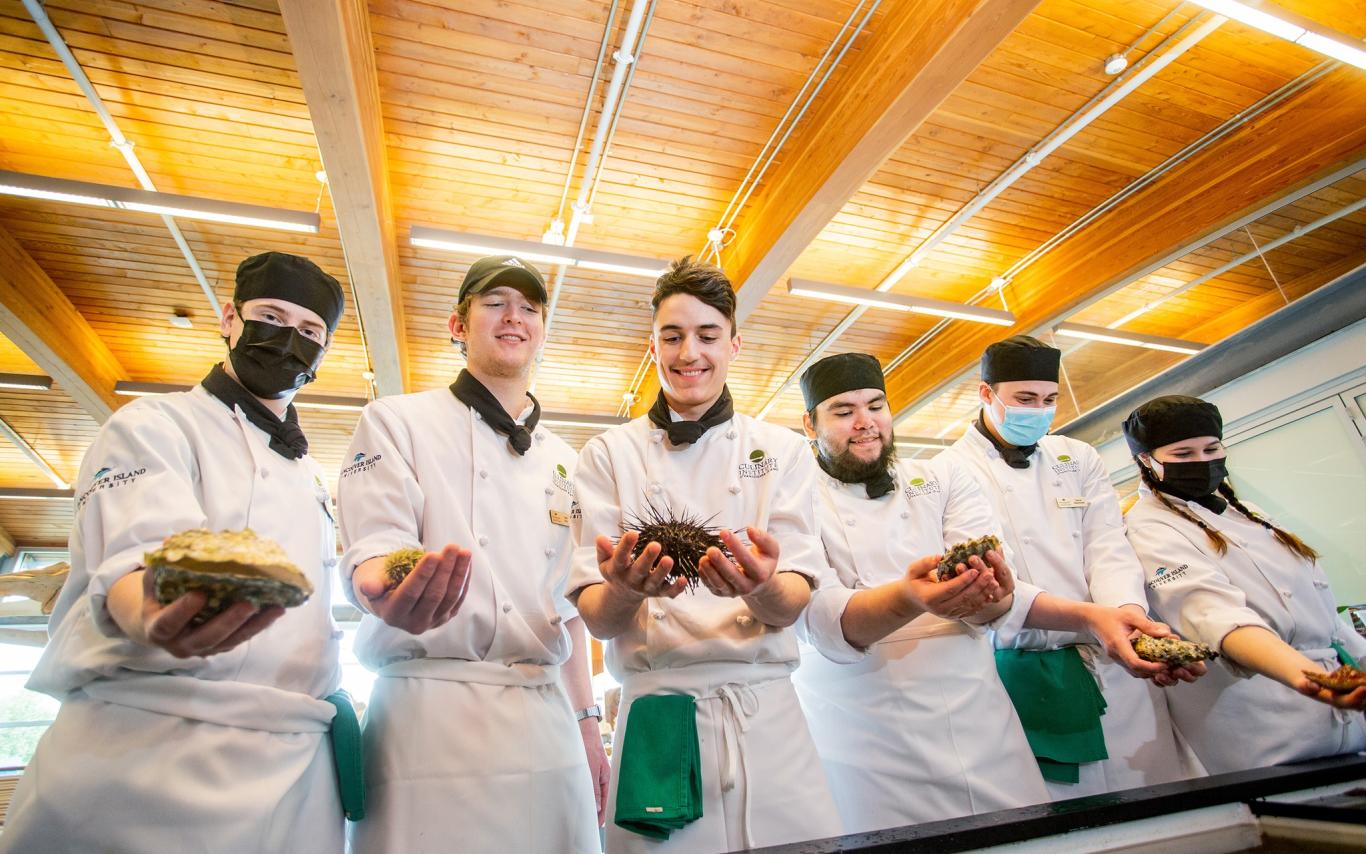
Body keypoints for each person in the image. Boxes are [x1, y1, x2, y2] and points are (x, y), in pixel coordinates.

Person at [1, 252, 350, 852]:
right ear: (228, 319)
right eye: (270, 315)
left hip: (293, 763)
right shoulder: (152, 424)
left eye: (309, 331)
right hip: (146, 746)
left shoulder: (310, 475)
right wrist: (154, 617)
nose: (288, 339)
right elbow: (137, 561)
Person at [793, 352, 1197, 831]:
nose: (866, 423)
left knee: (1023, 835)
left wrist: (1092, 615)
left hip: (975, 704)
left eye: (876, 406)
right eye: (844, 412)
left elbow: (999, 596)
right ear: (809, 424)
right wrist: (911, 597)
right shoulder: (795, 494)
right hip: (863, 722)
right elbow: (821, 620)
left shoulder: (940, 478)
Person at [569, 257, 841, 852]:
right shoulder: (606, 455)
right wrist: (624, 588)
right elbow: (595, 615)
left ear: (734, 344)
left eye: (707, 335)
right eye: (672, 336)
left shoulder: (782, 449)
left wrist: (759, 585)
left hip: (767, 711)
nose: (689, 351)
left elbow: (791, 599)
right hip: (657, 715)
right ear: (653, 346)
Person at [336, 255, 604, 853]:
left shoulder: (567, 459)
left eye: (530, 308)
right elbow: (375, 549)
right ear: (457, 326)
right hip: (429, 714)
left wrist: (589, 727)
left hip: (545, 717)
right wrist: (382, 590)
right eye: (494, 303)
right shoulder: (396, 421)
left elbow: (570, 609)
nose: (515, 317)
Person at [942, 335, 1197, 797]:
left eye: (1049, 400)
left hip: (1117, 656)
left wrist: (1126, 614)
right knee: (1071, 817)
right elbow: (993, 584)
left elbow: (1107, 547)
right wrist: (1092, 620)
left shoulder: (1076, 457)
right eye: (1024, 399)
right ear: (985, 394)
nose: (1038, 410)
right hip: (1030, 664)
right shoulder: (948, 472)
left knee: (1157, 800)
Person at [1123, 395, 1366, 773]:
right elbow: (1217, 619)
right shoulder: (1147, 529)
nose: (1202, 462)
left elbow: (1324, 623)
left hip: (1344, 727)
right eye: (1183, 454)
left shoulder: (1251, 515)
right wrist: (1310, 679)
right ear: (1146, 460)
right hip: (1264, 728)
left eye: (1211, 448)